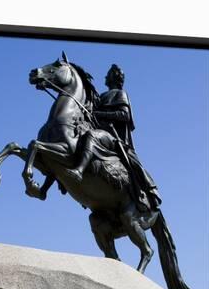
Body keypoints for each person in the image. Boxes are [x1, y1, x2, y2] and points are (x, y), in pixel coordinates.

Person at [67, 64, 162, 210]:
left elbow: (124, 115)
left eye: (108, 74)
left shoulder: (120, 94)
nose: (105, 77)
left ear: (115, 78)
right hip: (101, 134)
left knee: (131, 162)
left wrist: (100, 114)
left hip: (114, 137)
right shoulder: (102, 96)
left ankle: (150, 189)